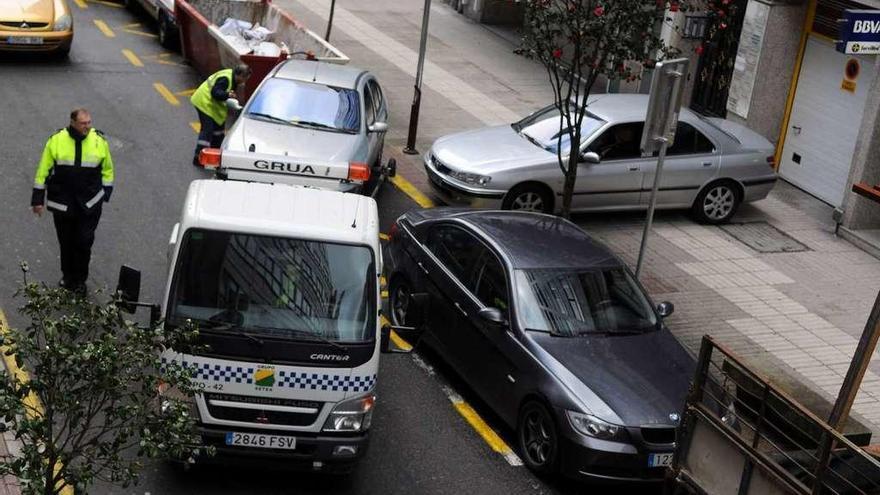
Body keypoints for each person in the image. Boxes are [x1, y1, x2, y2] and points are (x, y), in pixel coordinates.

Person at [31, 108, 114, 294]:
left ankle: (80, 280)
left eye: (89, 122)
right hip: (63, 203)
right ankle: (68, 276)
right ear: (73, 123)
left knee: (84, 241)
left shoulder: (99, 141)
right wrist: (38, 200)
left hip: (90, 203)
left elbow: (107, 169)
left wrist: (105, 192)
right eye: (84, 123)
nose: (88, 126)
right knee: (66, 242)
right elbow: (43, 170)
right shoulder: (56, 141)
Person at [190, 63, 252, 166]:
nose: (245, 82)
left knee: (218, 132)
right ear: (240, 75)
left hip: (212, 107)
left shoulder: (231, 77)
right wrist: (227, 95)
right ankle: (198, 158)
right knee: (207, 130)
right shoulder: (226, 79)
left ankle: (215, 156)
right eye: (245, 79)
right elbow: (216, 93)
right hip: (204, 103)